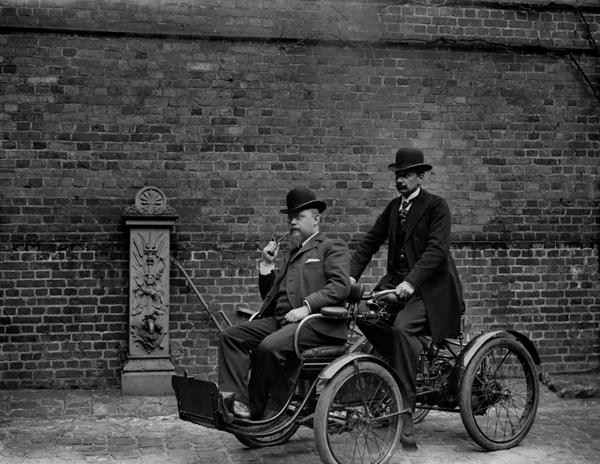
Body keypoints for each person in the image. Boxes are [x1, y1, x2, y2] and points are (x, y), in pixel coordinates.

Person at [349, 148, 464, 450]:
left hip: (432, 290)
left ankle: (407, 409)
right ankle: (402, 362)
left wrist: (411, 282)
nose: (400, 180)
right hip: (397, 286)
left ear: (421, 176)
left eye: (407, 174)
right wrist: (349, 278)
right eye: (397, 175)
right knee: (362, 312)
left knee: (402, 328)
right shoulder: (392, 209)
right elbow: (369, 243)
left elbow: (437, 251)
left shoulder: (437, 207)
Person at [218, 186, 351, 420]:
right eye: (291, 218)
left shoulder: (331, 247)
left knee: (268, 347)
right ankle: (235, 401)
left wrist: (306, 307)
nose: (292, 222)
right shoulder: (291, 253)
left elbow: (340, 287)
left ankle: (256, 412)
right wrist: (267, 265)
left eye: (299, 217)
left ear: (316, 219)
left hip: (318, 324)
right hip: (283, 323)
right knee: (231, 336)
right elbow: (270, 296)